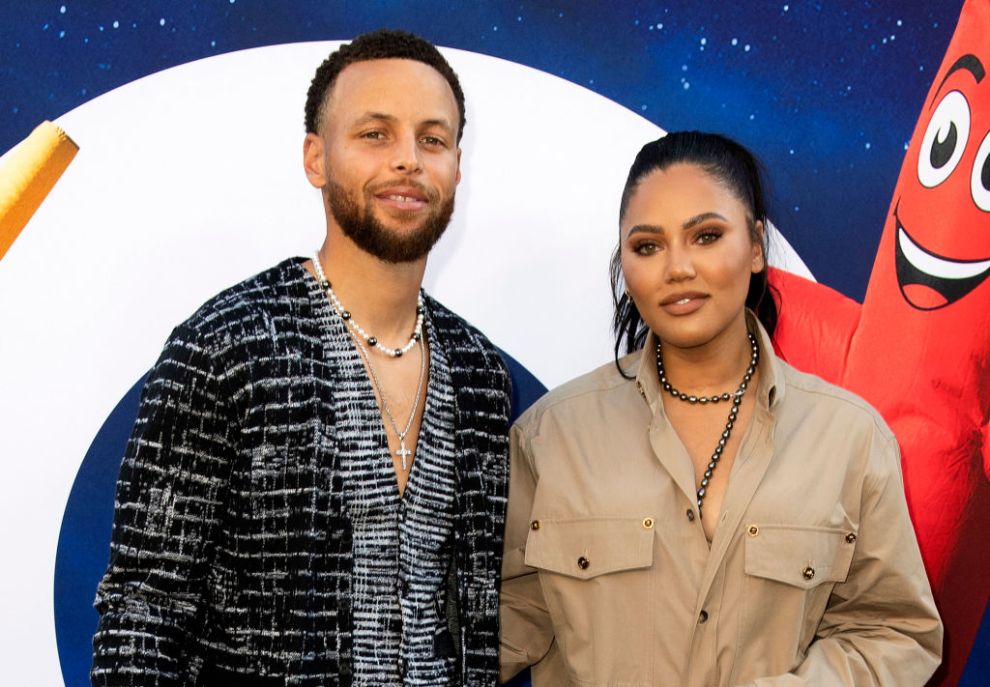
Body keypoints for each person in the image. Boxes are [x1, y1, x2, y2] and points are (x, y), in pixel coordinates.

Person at [91, 29, 511, 686]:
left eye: (432, 139)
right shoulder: (227, 345)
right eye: (375, 133)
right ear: (316, 158)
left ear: (457, 164)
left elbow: (478, 620)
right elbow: (141, 616)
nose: (408, 159)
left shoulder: (481, 374)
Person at [499, 132, 942, 686]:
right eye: (647, 246)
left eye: (706, 236)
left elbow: (894, 632)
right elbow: (498, 625)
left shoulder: (850, 437)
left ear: (756, 245)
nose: (677, 267)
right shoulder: (550, 436)